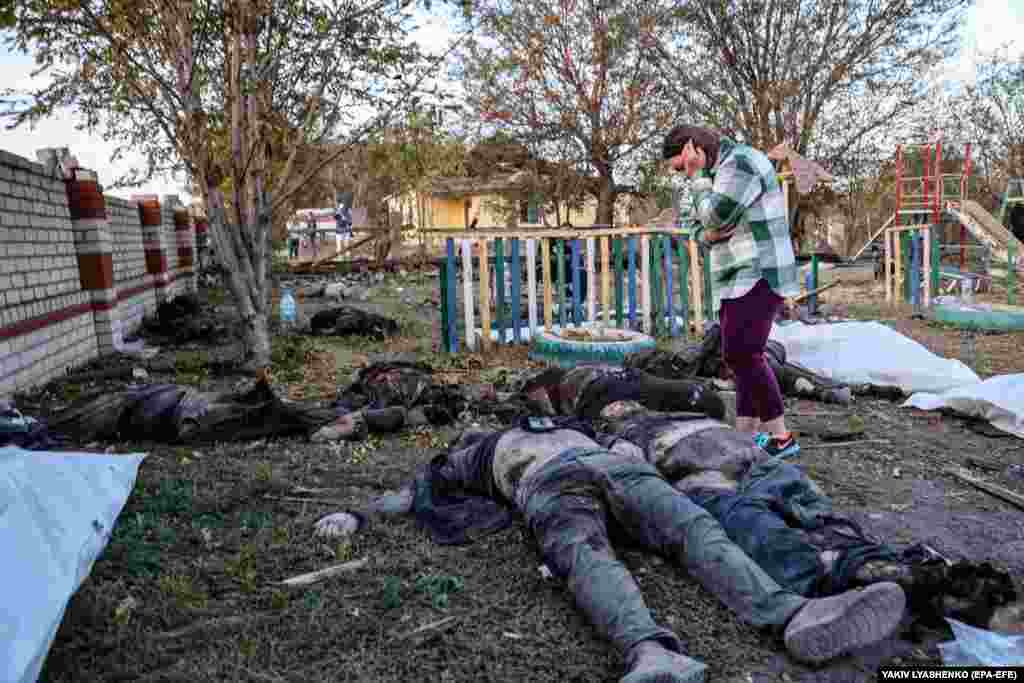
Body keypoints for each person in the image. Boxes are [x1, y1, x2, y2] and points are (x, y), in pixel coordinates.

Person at [393, 421, 905, 683]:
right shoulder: (473, 453)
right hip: (550, 487)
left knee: (693, 525)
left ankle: (795, 614)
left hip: (616, 468)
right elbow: (416, 488)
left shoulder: (562, 423)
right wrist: (358, 516)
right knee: (585, 554)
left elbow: (631, 447)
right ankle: (651, 652)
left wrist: (630, 454)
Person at [599, 411, 1018, 628]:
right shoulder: (619, 436)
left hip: (748, 460)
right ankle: (868, 575)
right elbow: (633, 481)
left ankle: (904, 573)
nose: (623, 405)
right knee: (753, 527)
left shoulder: (681, 410)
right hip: (702, 476)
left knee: (815, 514)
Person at [662, 126, 800, 457]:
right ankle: (747, 436)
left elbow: (712, 215)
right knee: (736, 356)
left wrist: (699, 189)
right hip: (730, 274)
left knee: (744, 354)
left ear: (693, 148)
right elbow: (693, 221)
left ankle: (782, 437)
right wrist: (705, 235)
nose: (683, 174)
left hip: (759, 269)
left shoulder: (741, 163)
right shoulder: (709, 176)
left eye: (682, 166)